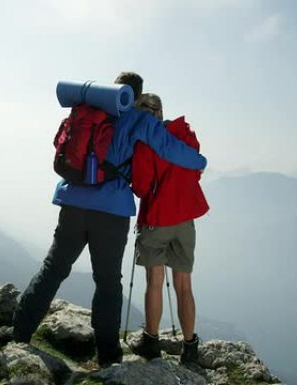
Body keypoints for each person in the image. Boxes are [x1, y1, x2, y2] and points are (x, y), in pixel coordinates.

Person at [12, 72, 208, 367]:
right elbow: (169, 148)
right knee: (107, 282)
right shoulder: (138, 120)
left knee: (53, 268)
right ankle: (107, 357)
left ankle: (20, 331)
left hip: (72, 201)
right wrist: (201, 162)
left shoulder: (90, 111)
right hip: (111, 211)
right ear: (138, 95)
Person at [128, 93, 209, 365]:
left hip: (157, 219)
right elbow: (194, 171)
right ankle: (190, 347)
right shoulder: (186, 136)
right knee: (184, 285)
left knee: (154, 282)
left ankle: (151, 342)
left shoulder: (144, 143)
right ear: (161, 112)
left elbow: (140, 186)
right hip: (186, 220)